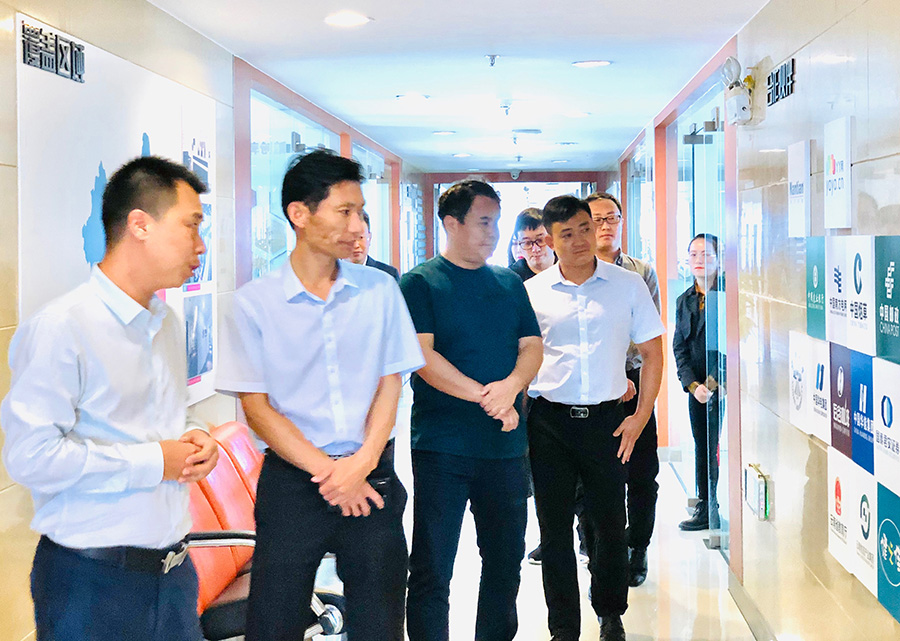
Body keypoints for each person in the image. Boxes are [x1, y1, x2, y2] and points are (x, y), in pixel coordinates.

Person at [1, 156, 219, 641]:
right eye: (191, 226)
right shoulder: (63, 328)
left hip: (173, 576)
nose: (200, 246)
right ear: (140, 224)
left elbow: (168, 419)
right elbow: (30, 457)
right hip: (91, 583)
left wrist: (196, 438)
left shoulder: (166, 323)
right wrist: (154, 462)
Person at [216, 149, 424, 641]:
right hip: (292, 486)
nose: (358, 226)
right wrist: (333, 474)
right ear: (299, 214)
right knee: (275, 621)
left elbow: (390, 384)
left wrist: (360, 464)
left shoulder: (380, 290)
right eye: (345, 211)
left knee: (381, 622)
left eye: (360, 212)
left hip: (372, 476)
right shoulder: (252, 304)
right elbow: (257, 409)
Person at [401, 179, 543, 641]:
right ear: (451, 223)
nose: (493, 233)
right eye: (484, 222)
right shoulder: (420, 283)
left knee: (505, 562)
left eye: (497, 223)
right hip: (443, 447)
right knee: (432, 566)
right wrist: (490, 397)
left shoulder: (509, 282)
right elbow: (423, 358)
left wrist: (512, 386)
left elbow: (531, 346)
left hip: (505, 449)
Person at [525, 195, 664, 641]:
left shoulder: (628, 284)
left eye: (586, 228)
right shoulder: (533, 292)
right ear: (551, 241)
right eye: (567, 233)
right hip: (549, 424)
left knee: (609, 526)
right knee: (555, 532)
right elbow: (521, 357)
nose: (581, 239)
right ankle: (563, 627)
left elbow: (653, 351)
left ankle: (610, 613)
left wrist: (641, 416)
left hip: (608, 422)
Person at [587, 191, 661, 587]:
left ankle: (638, 546)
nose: (604, 226)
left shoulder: (640, 272)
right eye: (596, 219)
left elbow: (648, 332)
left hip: (635, 385)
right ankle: (597, 550)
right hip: (594, 390)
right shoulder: (575, 271)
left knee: (642, 475)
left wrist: (626, 376)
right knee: (594, 477)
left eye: (611, 218)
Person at [673, 233, 724, 531]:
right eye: (693, 254)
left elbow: (735, 343)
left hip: (723, 387)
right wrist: (693, 386)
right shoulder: (684, 300)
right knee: (701, 444)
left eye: (706, 254)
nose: (699, 260)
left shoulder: (727, 296)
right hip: (697, 390)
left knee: (715, 444)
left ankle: (715, 502)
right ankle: (705, 504)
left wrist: (714, 384)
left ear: (719, 259)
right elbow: (679, 347)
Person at [350, 210, 401, 281]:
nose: (356, 245)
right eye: (350, 238)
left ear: (369, 238)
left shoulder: (388, 275)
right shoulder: (334, 275)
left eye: (360, 237)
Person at [507, 207, 555, 281]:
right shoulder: (510, 278)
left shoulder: (568, 266)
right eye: (527, 243)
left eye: (540, 240)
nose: (535, 249)